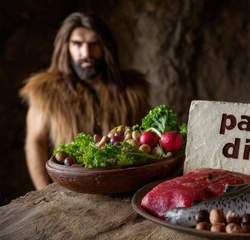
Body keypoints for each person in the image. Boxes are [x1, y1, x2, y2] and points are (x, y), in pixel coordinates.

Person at [19, 12, 151, 190]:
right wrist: (44, 191)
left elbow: (145, 138)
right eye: (77, 44)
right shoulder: (44, 92)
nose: (86, 52)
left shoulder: (133, 90)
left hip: (123, 187)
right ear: (66, 47)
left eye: (94, 43)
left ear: (105, 47)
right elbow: (35, 142)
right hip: (70, 188)